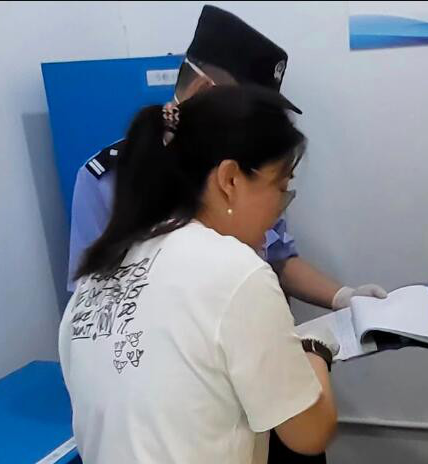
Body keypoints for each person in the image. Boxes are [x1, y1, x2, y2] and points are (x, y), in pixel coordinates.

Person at [59, 85, 340, 464]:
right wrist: (316, 350)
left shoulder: (95, 278)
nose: (280, 208)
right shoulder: (238, 273)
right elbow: (310, 434)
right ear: (230, 179)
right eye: (281, 187)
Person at [68, 5, 387, 313]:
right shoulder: (107, 180)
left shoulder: (251, 170)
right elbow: (92, 305)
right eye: (251, 111)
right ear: (204, 89)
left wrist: (344, 297)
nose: (258, 127)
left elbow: (277, 256)